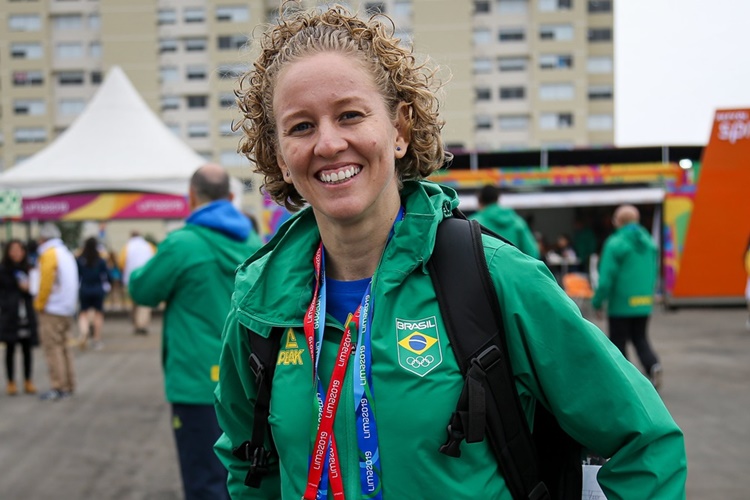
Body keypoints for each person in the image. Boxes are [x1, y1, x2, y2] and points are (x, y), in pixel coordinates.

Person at [213, 6, 686, 499]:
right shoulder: (258, 305)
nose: (329, 143)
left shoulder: (496, 279)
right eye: (301, 126)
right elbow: (249, 464)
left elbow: (646, 443)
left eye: (350, 115)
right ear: (281, 157)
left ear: (399, 130)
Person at [128, 164, 262, 500]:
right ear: (231, 198)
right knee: (245, 479)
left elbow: (143, 291)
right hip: (249, 381)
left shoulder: (181, 244)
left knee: (203, 479)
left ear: (191, 197)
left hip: (196, 383)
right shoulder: (254, 242)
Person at [592, 205, 663, 388]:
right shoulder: (649, 242)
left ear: (618, 221)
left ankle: (625, 381)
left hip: (621, 304)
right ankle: (653, 365)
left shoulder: (615, 243)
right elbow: (654, 271)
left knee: (618, 342)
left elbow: (606, 278)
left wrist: (598, 301)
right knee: (640, 338)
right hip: (643, 303)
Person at [32, 223, 79, 401]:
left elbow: (45, 283)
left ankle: (58, 385)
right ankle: (69, 384)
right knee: (65, 347)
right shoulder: (66, 253)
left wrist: (39, 304)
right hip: (67, 308)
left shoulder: (49, 254)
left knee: (52, 349)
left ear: (43, 238)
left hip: (53, 308)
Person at [0, 240, 39, 396]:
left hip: (26, 314)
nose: (16, 253)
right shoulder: (3, 270)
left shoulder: (29, 269)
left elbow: (35, 290)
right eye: (13, 250)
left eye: (19, 250)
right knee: (10, 349)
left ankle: (28, 380)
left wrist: (29, 289)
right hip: (10, 315)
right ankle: (11, 382)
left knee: (27, 349)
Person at [469, 184, 539, 258]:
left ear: (479, 200)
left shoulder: (472, 224)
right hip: (513, 268)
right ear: (498, 198)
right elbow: (533, 253)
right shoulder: (517, 222)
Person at [76, 237, 111, 350]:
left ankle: (84, 332)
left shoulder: (80, 259)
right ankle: (96, 338)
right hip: (97, 289)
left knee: (83, 313)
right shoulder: (100, 260)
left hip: (84, 288)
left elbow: (76, 275)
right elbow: (107, 275)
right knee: (98, 314)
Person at [118, 231, 155, 334]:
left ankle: (135, 322)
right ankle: (142, 324)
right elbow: (155, 260)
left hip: (131, 279)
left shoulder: (127, 247)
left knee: (134, 301)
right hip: (147, 277)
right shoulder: (149, 246)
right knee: (145, 303)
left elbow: (121, 263)